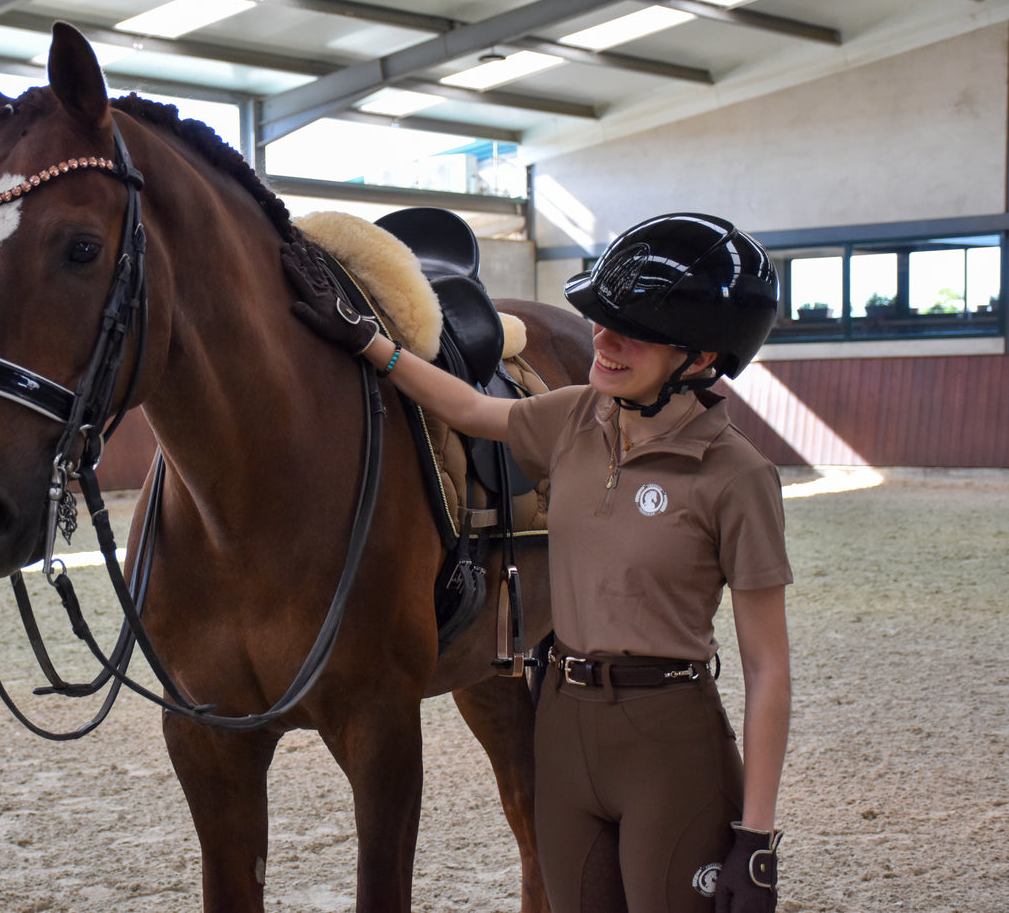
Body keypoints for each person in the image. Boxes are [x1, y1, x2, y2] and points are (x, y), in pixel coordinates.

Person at [284, 212, 793, 913]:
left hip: (669, 737)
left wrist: (756, 834)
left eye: (631, 331)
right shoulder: (576, 417)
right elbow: (466, 407)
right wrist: (373, 343)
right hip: (562, 727)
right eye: (601, 319)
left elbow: (767, 668)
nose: (602, 340)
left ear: (701, 358)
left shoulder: (738, 477)